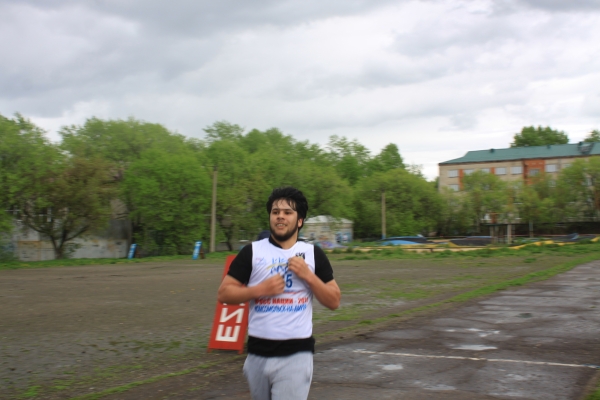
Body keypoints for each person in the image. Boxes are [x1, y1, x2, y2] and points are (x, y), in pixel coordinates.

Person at [217, 186, 341, 400]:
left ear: (299, 220)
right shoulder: (252, 252)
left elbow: (334, 300)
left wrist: (309, 276)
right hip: (257, 354)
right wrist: (260, 290)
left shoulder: (313, 254)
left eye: (287, 212)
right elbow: (224, 293)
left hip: (296, 355)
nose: (280, 216)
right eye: (275, 212)